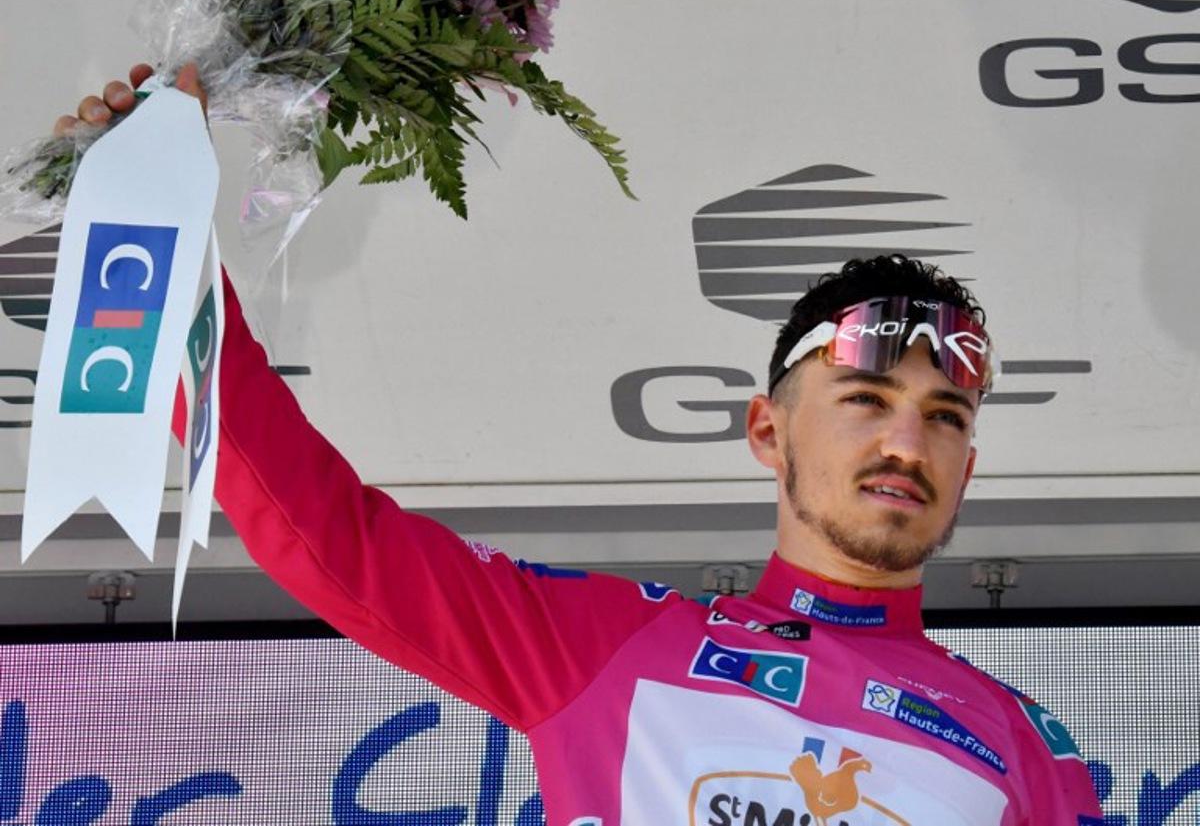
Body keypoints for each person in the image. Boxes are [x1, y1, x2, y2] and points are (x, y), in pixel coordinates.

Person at [61, 67, 1104, 825]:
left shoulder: (1024, 745)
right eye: (867, 397)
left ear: (970, 463)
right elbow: (322, 533)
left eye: (946, 417)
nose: (907, 440)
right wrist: (160, 239)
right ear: (766, 428)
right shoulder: (606, 644)